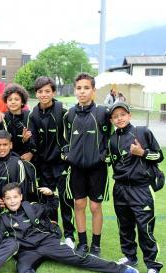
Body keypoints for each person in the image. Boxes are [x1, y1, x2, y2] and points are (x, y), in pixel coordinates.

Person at [0, 183, 140, 273]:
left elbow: (52, 207)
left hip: (47, 243)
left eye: (15, 197)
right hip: (28, 251)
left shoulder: (32, 207)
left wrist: (51, 195)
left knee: (79, 258)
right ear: (3, 200)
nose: (12, 201)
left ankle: (122, 270)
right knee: (22, 268)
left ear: (21, 197)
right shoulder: (3, 218)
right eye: (8, 198)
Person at [108, 102, 164, 273]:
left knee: (144, 229)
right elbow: (110, 161)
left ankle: (153, 267)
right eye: (115, 116)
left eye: (123, 114)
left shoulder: (142, 132)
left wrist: (142, 152)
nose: (120, 118)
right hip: (120, 189)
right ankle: (130, 257)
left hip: (141, 189)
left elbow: (159, 155)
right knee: (125, 227)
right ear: (111, 120)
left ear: (129, 116)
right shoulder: (112, 140)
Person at [62, 73, 111, 257]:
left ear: (93, 90)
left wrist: (103, 156)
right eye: (79, 88)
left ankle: (96, 245)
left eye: (86, 88)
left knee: (95, 207)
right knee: (79, 204)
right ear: (75, 90)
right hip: (76, 169)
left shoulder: (102, 113)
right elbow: (65, 139)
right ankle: (82, 243)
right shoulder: (70, 114)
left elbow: (109, 138)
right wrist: (68, 155)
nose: (82, 92)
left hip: (97, 169)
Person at [29, 76, 75, 248]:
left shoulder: (63, 111)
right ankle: (53, 231)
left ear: (53, 92)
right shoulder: (34, 114)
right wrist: (29, 140)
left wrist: (67, 156)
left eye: (47, 91)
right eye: (40, 92)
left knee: (64, 198)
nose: (43, 95)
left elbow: (70, 138)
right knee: (48, 199)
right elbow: (33, 142)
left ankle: (70, 235)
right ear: (36, 93)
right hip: (43, 165)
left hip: (61, 164)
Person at [0, 130, 38, 207]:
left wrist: (8, 202)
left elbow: (22, 191)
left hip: (14, 206)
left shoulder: (17, 163)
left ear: (10, 145)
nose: (1, 148)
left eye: (5, 144)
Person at [2, 84, 34, 161]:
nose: (13, 102)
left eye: (16, 99)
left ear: (22, 102)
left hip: (26, 157)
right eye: (10, 100)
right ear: (6, 102)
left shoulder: (29, 116)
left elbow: (35, 140)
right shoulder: (3, 118)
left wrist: (31, 152)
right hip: (9, 158)